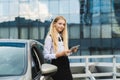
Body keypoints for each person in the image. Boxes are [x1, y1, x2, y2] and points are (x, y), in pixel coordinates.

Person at [43, 16, 78, 80]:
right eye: (60, 24)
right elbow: (45, 56)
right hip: (56, 65)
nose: (62, 26)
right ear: (54, 24)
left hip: (65, 64)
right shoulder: (49, 37)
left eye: (64, 24)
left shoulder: (62, 37)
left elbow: (64, 53)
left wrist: (71, 51)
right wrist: (58, 55)